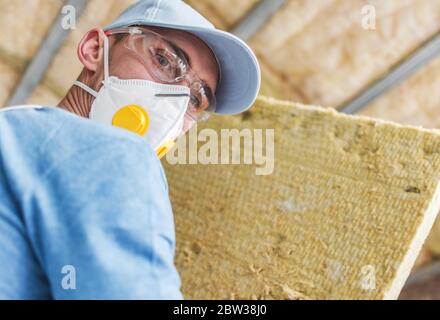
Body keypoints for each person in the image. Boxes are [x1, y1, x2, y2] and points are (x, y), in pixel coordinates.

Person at [0, 0, 260, 299]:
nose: (175, 100)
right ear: (95, 50)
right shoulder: (122, 155)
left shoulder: (11, 130)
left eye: (195, 99)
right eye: (164, 61)